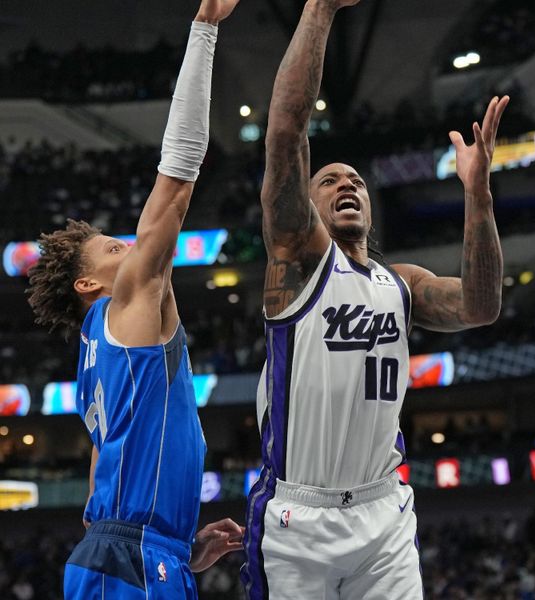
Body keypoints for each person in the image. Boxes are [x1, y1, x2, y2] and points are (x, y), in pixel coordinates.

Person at [240, 1, 506, 598]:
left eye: (356, 180)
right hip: (298, 517)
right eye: (330, 180)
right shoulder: (300, 261)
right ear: (306, 205)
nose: (348, 185)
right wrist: (320, 10)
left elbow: (481, 306)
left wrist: (479, 199)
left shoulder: (401, 284)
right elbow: (285, 133)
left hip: (383, 512)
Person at [26, 1, 243, 597]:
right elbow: (175, 184)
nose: (130, 250)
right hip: (131, 560)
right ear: (88, 285)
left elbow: (104, 492)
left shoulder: (97, 360)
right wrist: (205, 31)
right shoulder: (124, 306)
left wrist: (178, 545)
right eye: (113, 250)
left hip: (132, 552)